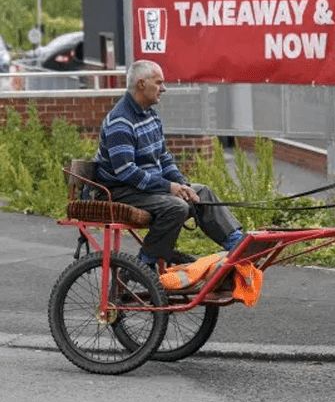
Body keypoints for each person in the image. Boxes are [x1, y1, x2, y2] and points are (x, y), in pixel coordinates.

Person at [94, 59, 245, 268]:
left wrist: (182, 183)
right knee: (176, 207)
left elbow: (164, 158)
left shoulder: (150, 116)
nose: (163, 88)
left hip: (143, 188)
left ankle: (237, 243)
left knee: (201, 192)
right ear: (141, 84)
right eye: (159, 83)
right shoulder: (120, 122)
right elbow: (126, 172)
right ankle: (143, 265)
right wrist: (169, 187)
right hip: (119, 190)